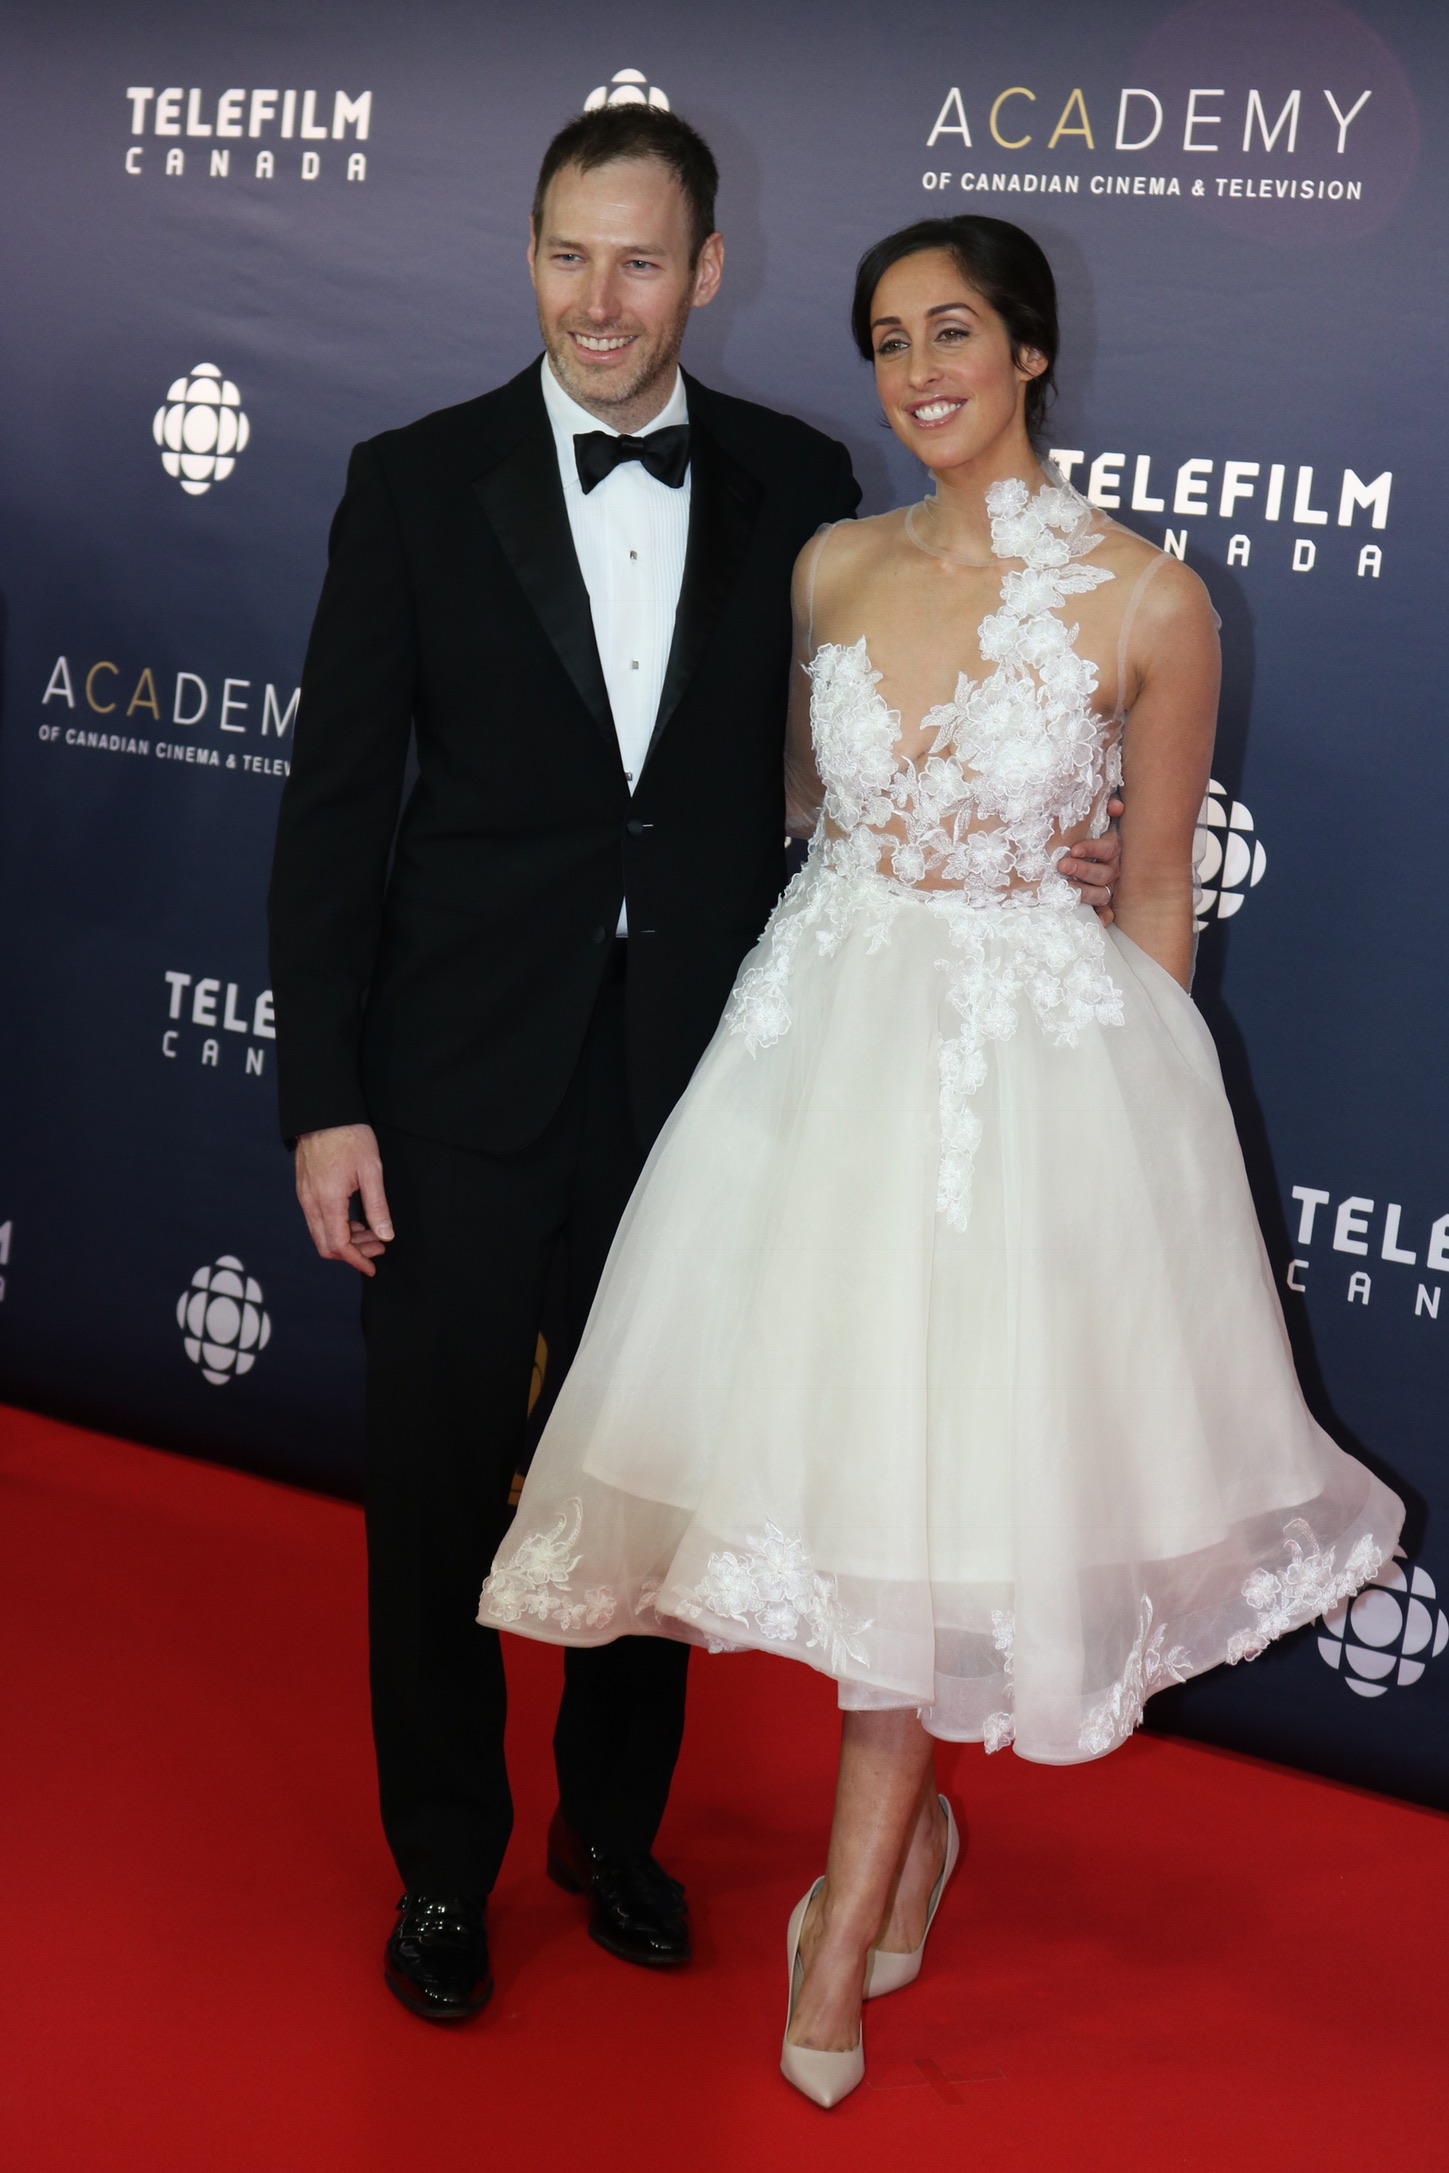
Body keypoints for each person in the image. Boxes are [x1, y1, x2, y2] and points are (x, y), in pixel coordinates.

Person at [480, 213, 1404, 2104]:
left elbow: (1157, 894)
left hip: (1017, 1091)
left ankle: (844, 1918)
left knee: (938, 1502)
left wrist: (1123, 1151)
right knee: (849, 1484)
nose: (918, 373)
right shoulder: (830, 565)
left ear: (1030, 350)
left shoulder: (1150, 600)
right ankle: (898, 1848)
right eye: (889, 340)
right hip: (816, 1064)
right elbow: (800, 803)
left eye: (954, 331)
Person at [267, 111, 1133, 2024]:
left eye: (641, 261)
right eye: (569, 256)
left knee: (653, 1486)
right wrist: (323, 1092)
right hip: (449, 1087)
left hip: (704, 1088)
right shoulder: (410, 481)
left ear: (707, 271)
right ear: (529, 254)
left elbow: (853, 762)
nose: (602, 301)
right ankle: (444, 1867)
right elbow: (332, 811)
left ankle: (612, 1830)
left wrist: (1035, 843)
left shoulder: (799, 483)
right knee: (435, 1489)